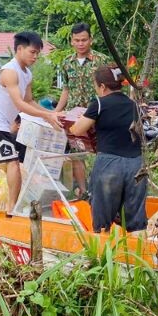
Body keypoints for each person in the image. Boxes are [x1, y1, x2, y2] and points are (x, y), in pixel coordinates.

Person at [0, 32, 64, 215]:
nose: (35, 57)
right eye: (32, 52)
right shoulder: (10, 72)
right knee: (12, 162)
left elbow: (29, 100)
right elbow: (19, 104)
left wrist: (52, 114)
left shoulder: (27, 74)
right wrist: (47, 116)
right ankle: (12, 208)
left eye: (38, 53)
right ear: (19, 49)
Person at [69, 64, 146, 233]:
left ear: (102, 86)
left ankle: (103, 255)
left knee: (103, 216)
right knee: (135, 216)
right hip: (136, 164)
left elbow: (77, 129)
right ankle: (137, 254)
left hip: (110, 163)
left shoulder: (98, 103)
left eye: (96, 86)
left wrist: (71, 124)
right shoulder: (134, 105)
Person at [56, 23, 110, 197]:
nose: (81, 44)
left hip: (97, 115)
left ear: (91, 40)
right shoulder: (66, 62)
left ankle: (101, 190)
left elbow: (108, 89)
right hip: (74, 116)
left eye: (84, 40)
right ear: (71, 41)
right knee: (76, 153)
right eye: (77, 40)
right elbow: (66, 89)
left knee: (100, 151)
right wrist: (55, 112)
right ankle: (83, 191)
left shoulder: (102, 61)